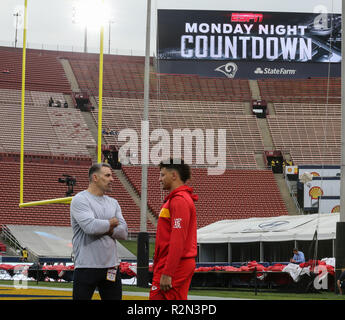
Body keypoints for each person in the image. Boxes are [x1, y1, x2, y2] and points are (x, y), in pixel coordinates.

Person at [70, 162, 128, 300]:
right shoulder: (80, 199)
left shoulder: (113, 202)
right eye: (107, 175)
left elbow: (124, 232)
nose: (112, 179)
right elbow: (90, 227)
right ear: (95, 178)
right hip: (86, 266)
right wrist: (111, 223)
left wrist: (105, 227)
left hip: (111, 267)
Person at [149, 158, 198, 300]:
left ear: (174, 175)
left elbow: (178, 239)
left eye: (162, 174)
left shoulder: (179, 200)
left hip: (175, 265)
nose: (159, 179)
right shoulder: (177, 199)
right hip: (174, 263)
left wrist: (168, 272)